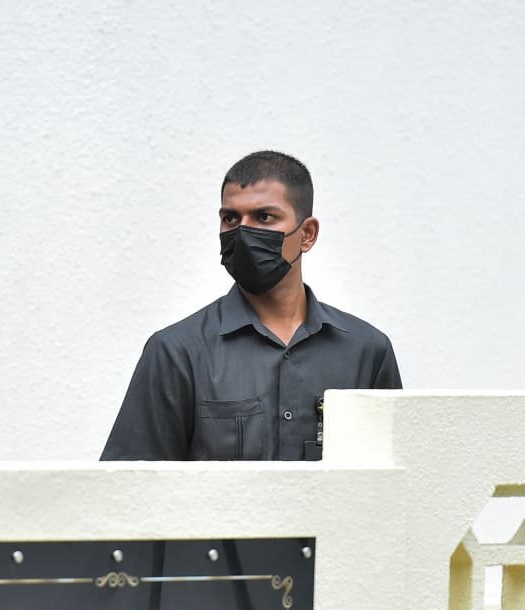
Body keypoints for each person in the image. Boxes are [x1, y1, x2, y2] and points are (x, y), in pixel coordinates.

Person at [100, 150, 401, 461]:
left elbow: (397, 477)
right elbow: (130, 483)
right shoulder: (176, 352)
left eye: (264, 217)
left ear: (307, 234)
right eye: (230, 218)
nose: (243, 232)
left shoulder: (367, 352)